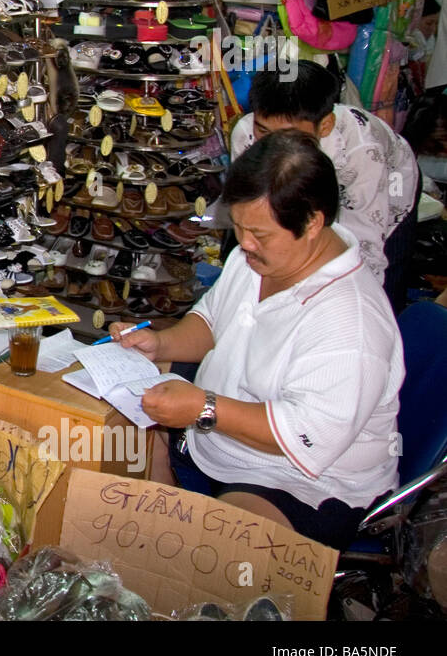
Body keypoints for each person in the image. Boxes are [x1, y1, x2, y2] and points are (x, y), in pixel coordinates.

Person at [114, 131, 402, 549]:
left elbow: (305, 434)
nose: (244, 244)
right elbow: (211, 323)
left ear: (312, 222)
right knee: (133, 399)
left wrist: (203, 407)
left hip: (300, 480)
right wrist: (162, 344)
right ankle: (159, 536)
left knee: (226, 548)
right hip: (220, 431)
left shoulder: (350, 321)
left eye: (260, 234)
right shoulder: (255, 258)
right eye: (241, 228)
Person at [230, 60, 420, 309]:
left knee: (383, 275)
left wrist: (356, 309)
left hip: (390, 187)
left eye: (289, 136)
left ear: (325, 125)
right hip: (309, 188)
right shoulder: (246, 135)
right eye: (264, 131)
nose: (274, 147)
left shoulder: (362, 151)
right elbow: (254, 212)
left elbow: (366, 245)